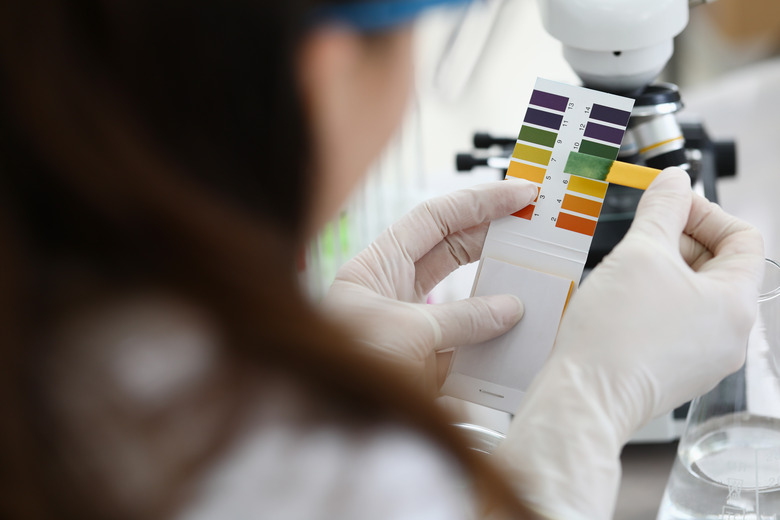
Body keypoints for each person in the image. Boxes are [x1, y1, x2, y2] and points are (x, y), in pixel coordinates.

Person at [0, 0, 764, 519]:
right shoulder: (326, 475)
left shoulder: (60, 339)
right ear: (323, 80)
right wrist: (590, 406)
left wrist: (329, 361)